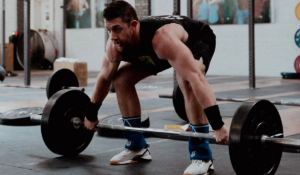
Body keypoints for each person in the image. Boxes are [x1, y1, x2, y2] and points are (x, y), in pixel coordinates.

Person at [84, 1, 228, 175]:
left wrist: (218, 126)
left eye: (117, 29)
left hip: (196, 38)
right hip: (156, 51)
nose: (113, 36)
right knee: (120, 80)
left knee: (187, 79)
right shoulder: (115, 45)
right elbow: (104, 78)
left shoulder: (162, 38)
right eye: (109, 30)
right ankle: (137, 146)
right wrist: (91, 114)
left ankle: (202, 156)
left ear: (133, 25)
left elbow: (197, 79)